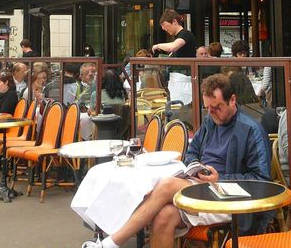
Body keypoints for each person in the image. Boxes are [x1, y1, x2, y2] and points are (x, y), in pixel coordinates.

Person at [81, 74, 270, 248]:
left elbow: (261, 180)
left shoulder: (251, 130)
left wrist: (220, 179)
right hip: (203, 188)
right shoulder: (210, 121)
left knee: (165, 185)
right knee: (163, 216)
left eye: (217, 108)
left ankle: (111, 243)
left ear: (232, 100)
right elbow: (192, 151)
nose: (212, 113)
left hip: (231, 198)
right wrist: (196, 168)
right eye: (208, 109)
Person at [80, 69, 127, 141]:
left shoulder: (96, 94)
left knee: (84, 118)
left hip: (99, 128)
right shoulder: (122, 94)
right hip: (118, 127)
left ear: (102, 81)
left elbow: (90, 112)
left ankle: (87, 140)